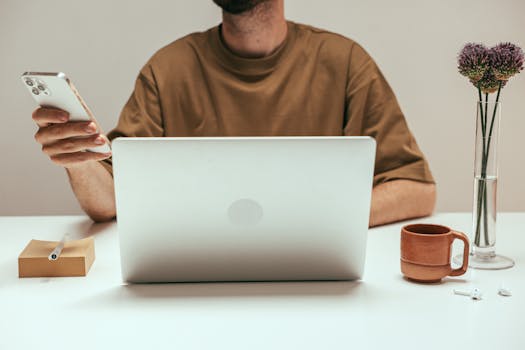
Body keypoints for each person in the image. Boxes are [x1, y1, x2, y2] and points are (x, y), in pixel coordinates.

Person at [31, 0, 436, 226]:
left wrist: (313, 223)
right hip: (192, 287)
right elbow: (111, 203)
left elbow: (417, 189)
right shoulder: (167, 69)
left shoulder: (345, 62)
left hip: (315, 280)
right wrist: (80, 160)